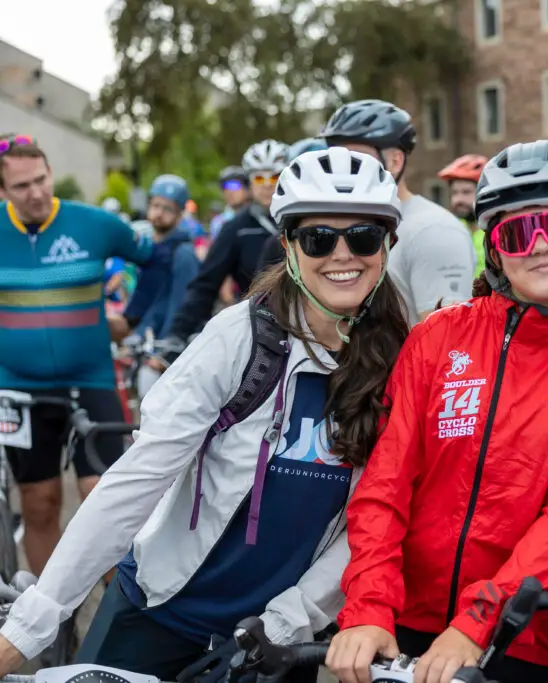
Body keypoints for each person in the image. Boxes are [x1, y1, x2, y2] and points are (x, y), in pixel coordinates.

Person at [0, 146, 411, 680]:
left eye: (363, 236)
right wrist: (30, 628)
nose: (342, 254)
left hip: (273, 637)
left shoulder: (402, 361)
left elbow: (375, 519)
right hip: (160, 610)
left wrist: (286, 622)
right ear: (288, 244)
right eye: (318, 237)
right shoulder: (240, 337)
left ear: (387, 245)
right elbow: (138, 477)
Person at [325, 141, 548, 683]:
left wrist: (478, 621)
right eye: (518, 233)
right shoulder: (437, 337)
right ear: (494, 251)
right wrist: (369, 605)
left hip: (514, 637)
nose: (541, 246)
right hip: (399, 622)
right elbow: (384, 484)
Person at [0, 135, 153, 576]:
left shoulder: (94, 224)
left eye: (41, 179)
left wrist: (135, 316)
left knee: (104, 499)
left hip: (92, 378)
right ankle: (50, 627)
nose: (36, 193)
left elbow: (158, 259)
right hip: (19, 386)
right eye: (21, 186)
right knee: (40, 502)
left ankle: (113, 616)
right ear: (4, 192)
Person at [321, 99, 477, 325]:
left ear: (395, 161)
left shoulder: (433, 231)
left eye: (356, 158)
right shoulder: (344, 224)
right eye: (335, 158)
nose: (343, 168)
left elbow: (447, 341)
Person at [158, 139, 290, 365]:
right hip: (259, 331)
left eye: (275, 177)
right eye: (260, 178)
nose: (267, 184)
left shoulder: (303, 220)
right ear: (249, 182)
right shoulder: (235, 228)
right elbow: (205, 284)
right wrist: (177, 334)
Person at [108, 175, 200, 344]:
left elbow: (181, 306)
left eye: (168, 209)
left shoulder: (183, 252)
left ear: (180, 214)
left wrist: (166, 345)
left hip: (161, 348)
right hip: (140, 338)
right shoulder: (149, 249)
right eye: (156, 205)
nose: (159, 213)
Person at [438, 154, 488, 277]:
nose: (457, 200)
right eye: (454, 193)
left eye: (466, 192)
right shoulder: (450, 230)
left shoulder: (497, 232)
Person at [209, 166, 251, 241]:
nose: (229, 192)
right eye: (225, 187)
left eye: (234, 186)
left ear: (247, 189)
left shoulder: (258, 218)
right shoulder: (218, 223)